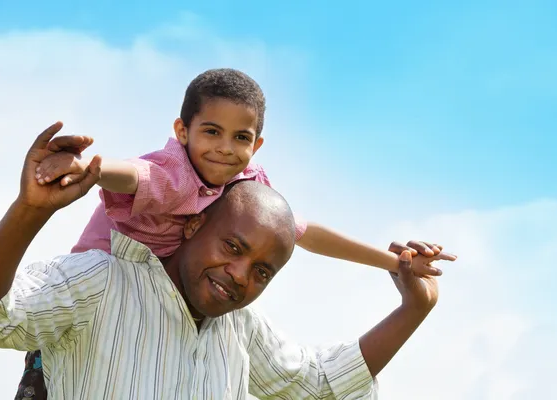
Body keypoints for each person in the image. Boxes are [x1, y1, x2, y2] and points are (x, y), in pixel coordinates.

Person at [23, 68, 446, 398]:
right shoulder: (176, 176)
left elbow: (307, 232)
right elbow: (134, 174)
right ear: (182, 131)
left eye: (240, 137)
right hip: (105, 291)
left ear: (256, 145)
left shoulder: (245, 188)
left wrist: (396, 263)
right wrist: (89, 170)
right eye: (211, 131)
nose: (225, 147)